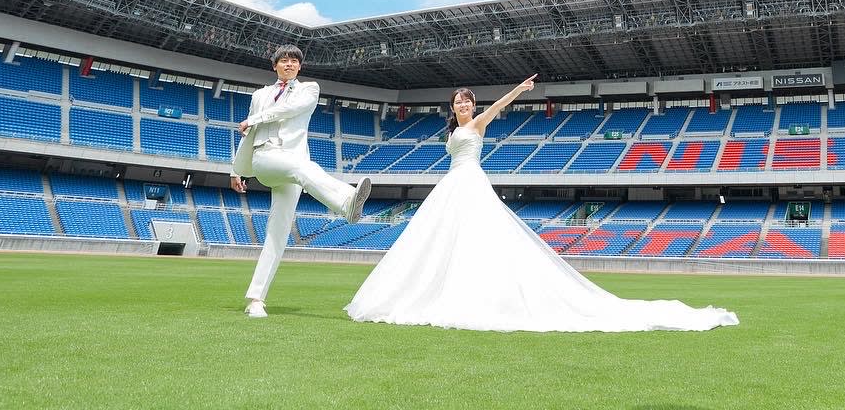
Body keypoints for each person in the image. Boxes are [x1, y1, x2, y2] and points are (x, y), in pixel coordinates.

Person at [346, 74, 738, 332]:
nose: (463, 105)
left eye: (466, 101)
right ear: (452, 107)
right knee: (440, 239)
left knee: (474, 237)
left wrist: (519, 89)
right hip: (451, 183)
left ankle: (474, 296)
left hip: (470, 182)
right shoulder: (451, 131)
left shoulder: (478, 124)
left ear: (472, 105)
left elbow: (499, 106)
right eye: (458, 102)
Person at [231, 44, 372, 318]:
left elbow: (290, 109)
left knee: (278, 233)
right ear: (274, 65)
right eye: (284, 60)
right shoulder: (260, 95)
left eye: (294, 61)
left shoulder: (310, 89)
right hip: (266, 158)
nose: (289, 64)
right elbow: (249, 134)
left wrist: (255, 118)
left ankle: (256, 299)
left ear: (300, 66)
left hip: (294, 164)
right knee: (302, 168)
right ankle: (346, 202)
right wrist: (235, 170)